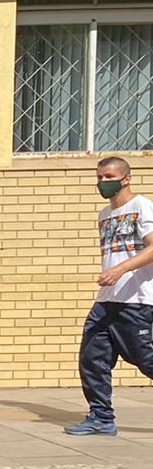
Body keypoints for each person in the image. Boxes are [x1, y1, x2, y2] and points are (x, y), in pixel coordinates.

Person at [64, 157, 153, 437]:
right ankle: (101, 417)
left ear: (126, 178)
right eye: (100, 177)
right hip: (107, 300)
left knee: (145, 359)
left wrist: (120, 270)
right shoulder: (105, 215)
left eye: (109, 176)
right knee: (92, 357)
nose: (103, 182)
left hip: (136, 300)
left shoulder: (142, 207)